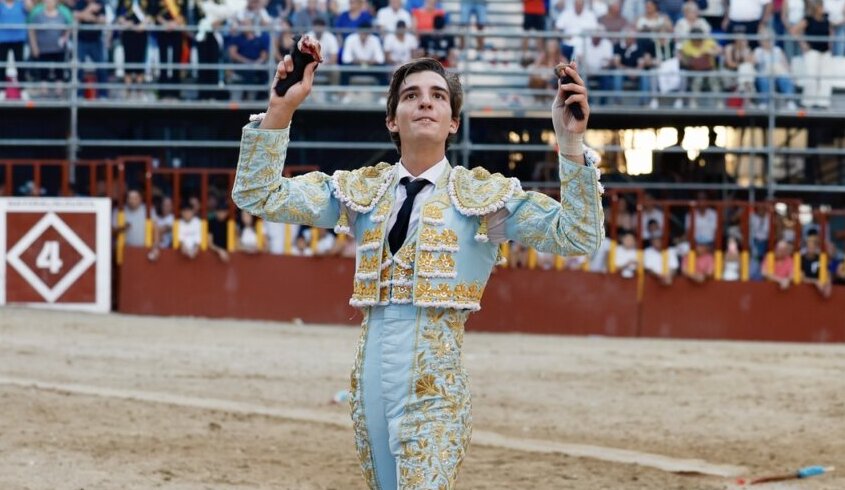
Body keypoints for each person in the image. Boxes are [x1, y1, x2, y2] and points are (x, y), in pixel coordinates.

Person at [232, 54, 603, 489]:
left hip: (436, 385)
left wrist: (570, 144)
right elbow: (259, 195)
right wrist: (281, 110)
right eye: (411, 96)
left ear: (453, 123)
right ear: (392, 120)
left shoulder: (484, 198)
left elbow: (578, 236)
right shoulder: (362, 191)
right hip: (370, 381)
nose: (425, 103)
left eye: (437, 96)